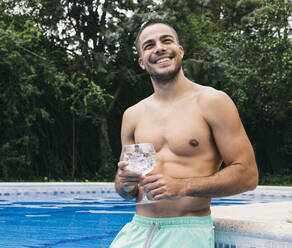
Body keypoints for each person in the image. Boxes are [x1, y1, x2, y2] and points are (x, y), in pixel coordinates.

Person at [111, 19, 258, 248]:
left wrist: (183, 186)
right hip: (137, 230)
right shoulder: (133, 115)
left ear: (179, 51)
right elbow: (127, 189)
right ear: (142, 62)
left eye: (166, 40)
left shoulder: (212, 102)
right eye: (149, 45)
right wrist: (124, 184)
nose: (159, 47)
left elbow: (248, 175)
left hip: (186, 232)